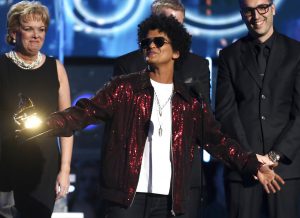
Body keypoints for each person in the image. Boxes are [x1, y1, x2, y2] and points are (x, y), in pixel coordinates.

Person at [21, 14, 283, 218]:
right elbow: (84, 113)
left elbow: (217, 141)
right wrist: (43, 123)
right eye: (146, 42)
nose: (151, 46)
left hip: (170, 200)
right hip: (127, 199)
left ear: (177, 51)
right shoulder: (124, 88)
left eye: (159, 41)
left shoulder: (190, 100)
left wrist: (251, 163)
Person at [113, 1, 210, 217]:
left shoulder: (197, 66)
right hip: (134, 183)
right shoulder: (126, 66)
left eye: (179, 26)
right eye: (169, 24)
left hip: (179, 182)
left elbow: (205, 122)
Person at [215, 0, 300, 217]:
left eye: (262, 7)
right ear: (241, 14)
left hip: (285, 171)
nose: (256, 16)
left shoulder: (296, 53)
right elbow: (225, 113)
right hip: (243, 171)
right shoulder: (229, 56)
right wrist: (251, 160)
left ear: (272, 8)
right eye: (249, 10)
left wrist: (274, 156)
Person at [0, 1, 73, 218]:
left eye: (41, 29)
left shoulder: (56, 68)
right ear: (15, 31)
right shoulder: (2, 66)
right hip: (5, 163)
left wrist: (65, 169)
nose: (36, 35)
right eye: (28, 28)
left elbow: (67, 124)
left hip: (44, 167)